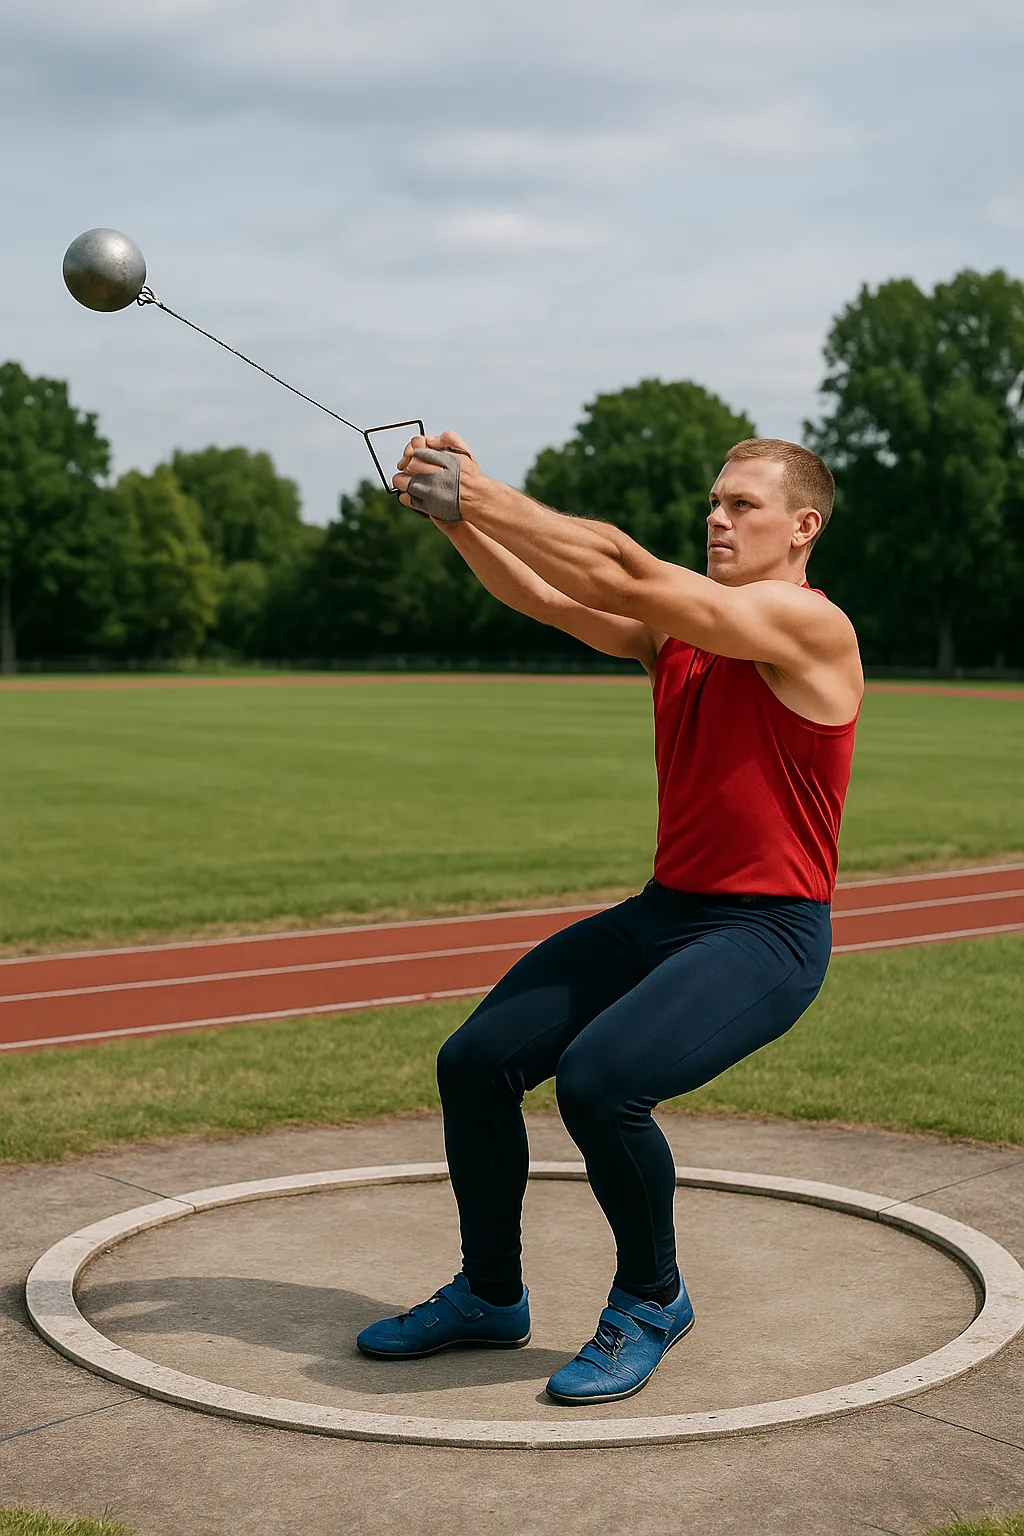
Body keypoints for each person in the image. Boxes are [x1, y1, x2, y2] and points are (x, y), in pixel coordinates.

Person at [355, 431, 863, 1405]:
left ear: (803, 527)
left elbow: (621, 568)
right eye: (714, 501)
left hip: (767, 933)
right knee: (473, 1063)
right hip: (665, 911)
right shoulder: (678, 634)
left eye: (742, 505)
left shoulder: (812, 630)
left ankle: (650, 1298)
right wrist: (453, 520)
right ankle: (490, 1296)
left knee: (598, 1082)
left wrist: (481, 492)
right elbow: (549, 597)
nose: (718, 517)